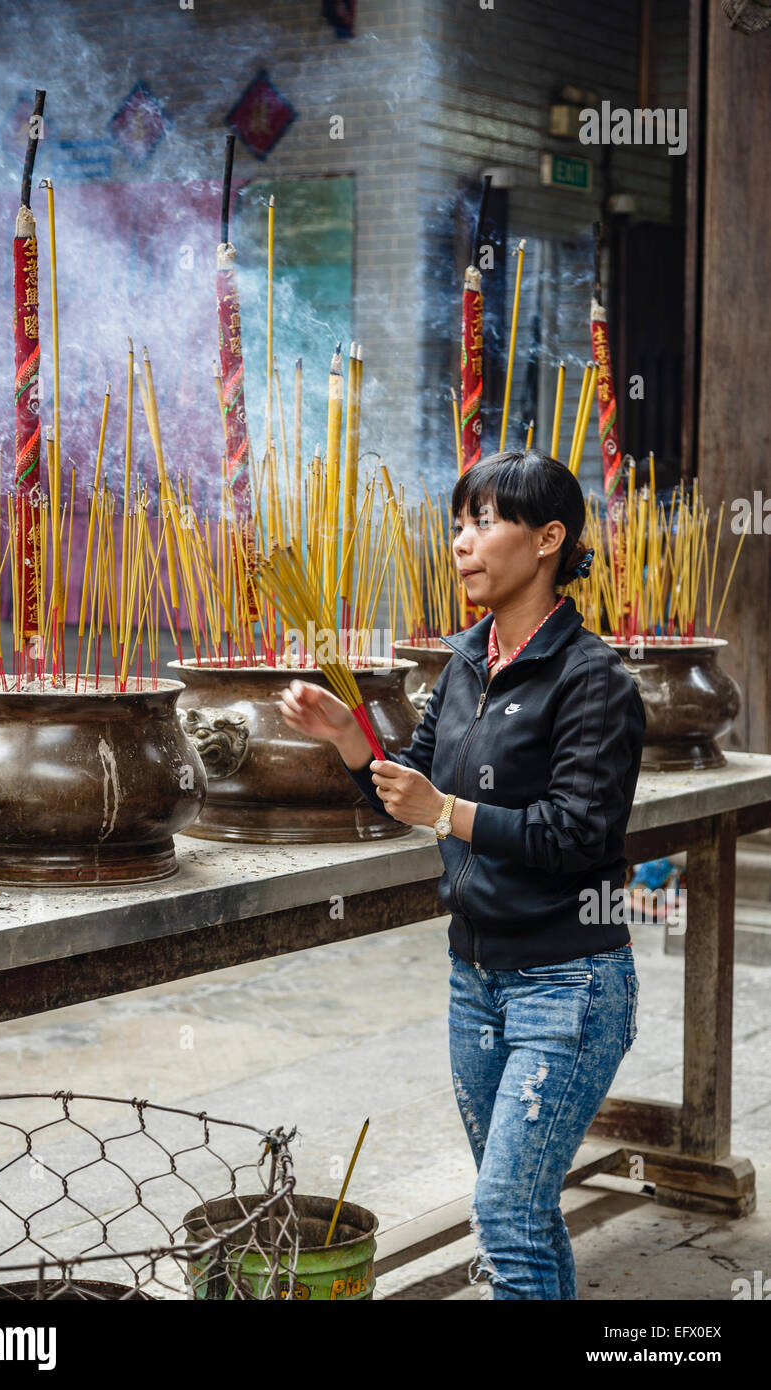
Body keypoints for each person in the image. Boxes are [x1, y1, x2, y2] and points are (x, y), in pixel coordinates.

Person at [278, 448, 646, 1300]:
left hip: (570, 981)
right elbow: (404, 783)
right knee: (523, 1210)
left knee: (505, 1216)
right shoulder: (463, 665)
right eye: (457, 524)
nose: (462, 542)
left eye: (485, 522)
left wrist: (446, 812)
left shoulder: (594, 681)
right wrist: (345, 736)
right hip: (476, 979)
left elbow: (578, 834)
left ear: (549, 537)